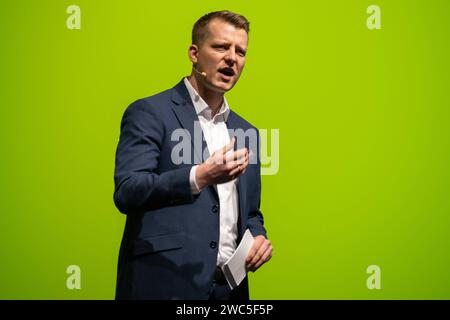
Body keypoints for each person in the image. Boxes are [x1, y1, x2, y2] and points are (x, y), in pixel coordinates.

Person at [113, 10, 272, 300]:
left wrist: (257, 237)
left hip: (230, 293)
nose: (232, 58)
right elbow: (127, 191)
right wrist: (199, 176)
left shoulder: (247, 132)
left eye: (241, 51)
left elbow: (250, 214)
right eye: (221, 47)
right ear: (194, 53)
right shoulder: (150, 113)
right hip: (163, 286)